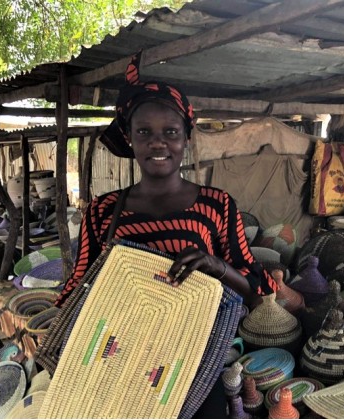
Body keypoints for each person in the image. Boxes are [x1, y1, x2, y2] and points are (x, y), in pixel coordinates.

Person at [55, 52, 277, 418]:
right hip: (116, 368)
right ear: (128, 138)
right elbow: (77, 289)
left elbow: (258, 289)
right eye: (144, 132)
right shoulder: (102, 211)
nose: (158, 143)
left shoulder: (217, 206)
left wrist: (215, 266)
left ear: (186, 137)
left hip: (195, 368)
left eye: (170, 133)